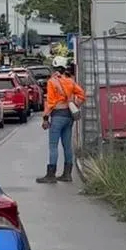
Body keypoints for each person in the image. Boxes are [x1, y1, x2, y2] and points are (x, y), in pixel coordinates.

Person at [37, 55, 85, 183]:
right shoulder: (70, 81)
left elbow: (50, 103)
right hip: (69, 116)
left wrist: (45, 118)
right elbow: (81, 95)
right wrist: (74, 105)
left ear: (55, 68)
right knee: (67, 146)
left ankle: (51, 175)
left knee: (53, 145)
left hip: (57, 115)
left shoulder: (52, 82)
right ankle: (67, 174)